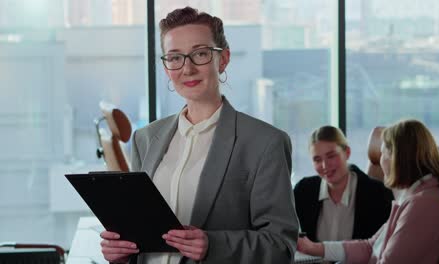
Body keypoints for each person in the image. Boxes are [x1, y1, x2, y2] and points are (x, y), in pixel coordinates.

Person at [99, 6, 298, 264]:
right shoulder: (146, 139)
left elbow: (281, 246)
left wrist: (213, 245)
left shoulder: (265, 143)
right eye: (175, 57)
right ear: (166, 66)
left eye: (200, 54)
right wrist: (120, 251)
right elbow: (141, 232)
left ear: (223, 59)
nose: (187, 68)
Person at [297, 119, 439, 263]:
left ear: (398, 158)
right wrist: (312, 248)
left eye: (383, 153)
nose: (380, 161)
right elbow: (370, 246)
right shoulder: (414, 199)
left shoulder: (424, 205)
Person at [294, 126, 393, 244]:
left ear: (347, 153)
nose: (325, 166)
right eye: (317, 159)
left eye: (331, 156)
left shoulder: (379, 195)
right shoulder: (303, 191)